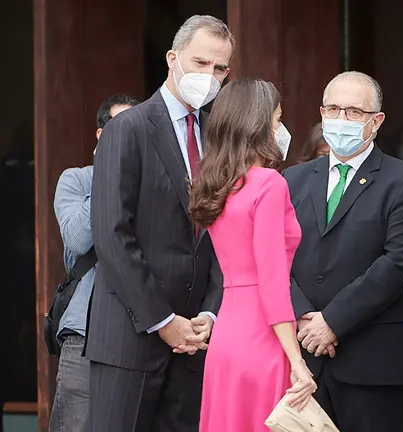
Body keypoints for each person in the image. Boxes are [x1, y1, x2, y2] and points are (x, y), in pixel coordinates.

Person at [88, 15, 232, 431]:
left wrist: (211, 312)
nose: (210, 76)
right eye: (201, 63)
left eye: (220, 68)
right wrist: (164, 321)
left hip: (195, 343)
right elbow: (112, 234)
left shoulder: (216, 136)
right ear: (173, 59)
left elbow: (221, 234)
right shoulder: (127, 129)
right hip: (131, 339)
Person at [283, 71, 403, 432]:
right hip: (303, 358)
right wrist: (304, 316)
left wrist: (332, 322)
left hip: (371, 360)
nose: (341, 120)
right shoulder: (293, 178)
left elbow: (397, 263)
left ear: (376, 121)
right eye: (333, 109)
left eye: (353, 112)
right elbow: (276, 257)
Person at [188, 79, 316, 432]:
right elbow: (273, 282)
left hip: (227, 335)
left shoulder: (218, 184)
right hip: (263, 337)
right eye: (277, 120)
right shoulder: (268, 184)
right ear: (257, 124)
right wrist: (297, 360)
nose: (281, 129)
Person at [49, 93, 139, 432]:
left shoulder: (149, 183)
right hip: (84, 333)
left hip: (137, 332)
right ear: (102, 135)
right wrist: (111, 172)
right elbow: (78, 239)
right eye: (120, 127)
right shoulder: (77, 180)